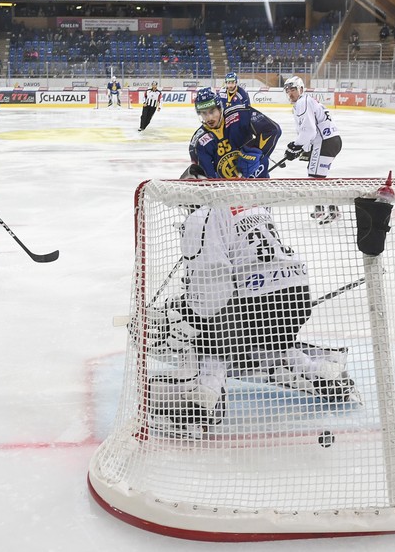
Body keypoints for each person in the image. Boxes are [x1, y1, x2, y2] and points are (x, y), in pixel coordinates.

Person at [146, 165, 360, 436]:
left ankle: (202, 401)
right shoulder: (246, 202)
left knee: (209, 343)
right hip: (296, 293)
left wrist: (189, 314)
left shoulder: (201, 217)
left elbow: (213, 284)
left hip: (257, 297)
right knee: (270, 342)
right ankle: (323, 373)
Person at [282, 76, 343, 224]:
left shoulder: (303, 102)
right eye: (288, 90)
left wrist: (296, 146)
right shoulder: (304, 102)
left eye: (293, 89)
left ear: (301, 89)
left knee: (315, 179)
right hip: (328, 141)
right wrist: (302, 148)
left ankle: (333, 210)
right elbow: (308, 130)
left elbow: (309, 131)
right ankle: (320, 208)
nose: (290, 93)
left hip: (325, 142)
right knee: (315, 175)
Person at [188, 87, 277, 179]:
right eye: (204, 113)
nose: (209, 118)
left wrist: (256, 154)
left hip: (259, 182)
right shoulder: (199, 143)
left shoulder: (240, 115)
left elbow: (272, 130)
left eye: (212, 111)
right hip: (229, 191)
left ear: (220, 109)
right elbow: (209, 180)